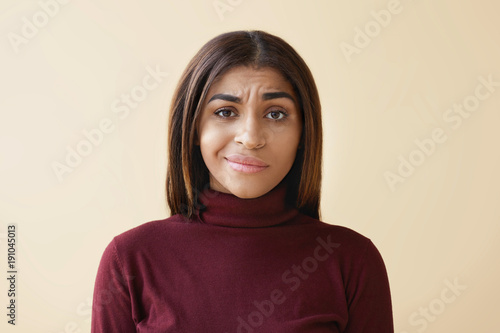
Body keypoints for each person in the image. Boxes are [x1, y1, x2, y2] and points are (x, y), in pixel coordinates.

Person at [91, 30, 394, 332]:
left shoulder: (352, 261)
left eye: (276, 114)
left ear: (304, 133)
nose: (250, 138)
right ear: (194, 129)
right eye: (225, 112)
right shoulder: (130, 260)